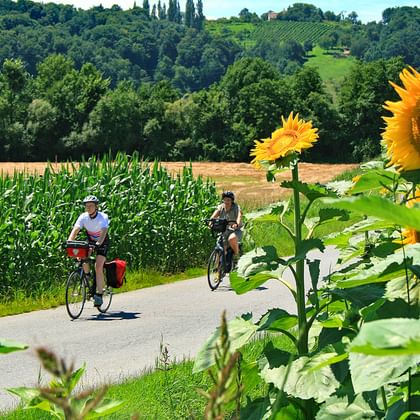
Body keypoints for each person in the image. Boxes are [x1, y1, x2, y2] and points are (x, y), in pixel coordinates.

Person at [68, 195, 110, 307]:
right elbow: (75, 230)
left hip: (102, 242)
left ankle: (99, 294)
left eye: (91, 206)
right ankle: (87, 276)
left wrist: (98, 244)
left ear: (96, 206)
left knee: (98, 266)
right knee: (82, 258)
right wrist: (69, 242)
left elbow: (104, 232)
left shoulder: (103, 217)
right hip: (91, 241)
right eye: (87, 206)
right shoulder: (83, 217)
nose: (88, 208)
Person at [209, 191, 243, 263]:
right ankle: (219, 267)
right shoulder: (221, 207)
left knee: (231, 238)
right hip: (225, 230)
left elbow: (239, 216)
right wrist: (210, 222)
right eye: (225, 200)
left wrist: (236, 224)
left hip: (235, 230)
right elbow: (214, 215)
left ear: (232, 201)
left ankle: (236, 256)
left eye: (228, 200)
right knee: (221, 246)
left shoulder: (236, 207)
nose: (226, 202)